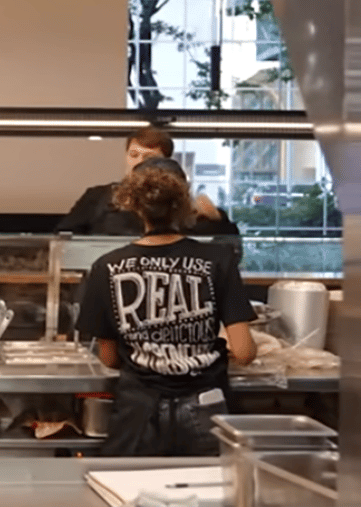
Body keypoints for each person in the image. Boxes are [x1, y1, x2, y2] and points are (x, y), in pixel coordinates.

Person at [75, 157, 258, 456]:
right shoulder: (219, 260)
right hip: (205, 407)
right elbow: (244, 352)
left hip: (138, 413)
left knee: (134, 484)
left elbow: (108, 357)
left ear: (133, 204)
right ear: (184, 202)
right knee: (206, 484)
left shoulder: (106, 266)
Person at [56, 126, 239, 237]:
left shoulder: (179, 201)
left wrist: (217, 219)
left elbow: (225, 249)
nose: (138, 162)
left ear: (166, 162)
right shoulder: (98, 197)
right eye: (133, 155)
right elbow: (63, 238)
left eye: (149, 157)